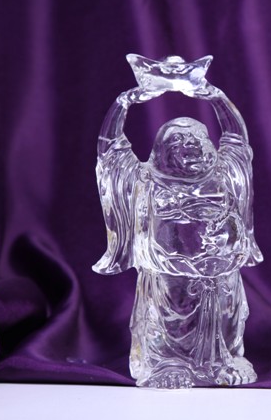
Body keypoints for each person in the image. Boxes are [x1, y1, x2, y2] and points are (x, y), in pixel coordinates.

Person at [94, 71, 262, 388]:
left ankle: (225, 360)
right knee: (168, 322)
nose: (191, 144)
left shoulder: (225, 173)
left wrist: (214, 96)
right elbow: (110, 149)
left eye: (198, 137)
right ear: (162, 150)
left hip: (220, 275)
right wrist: (125, 101)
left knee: (225, 320)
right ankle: (165, 364)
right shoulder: (145, 179)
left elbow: (236, 139)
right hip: (169, 278)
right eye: (179, 140)